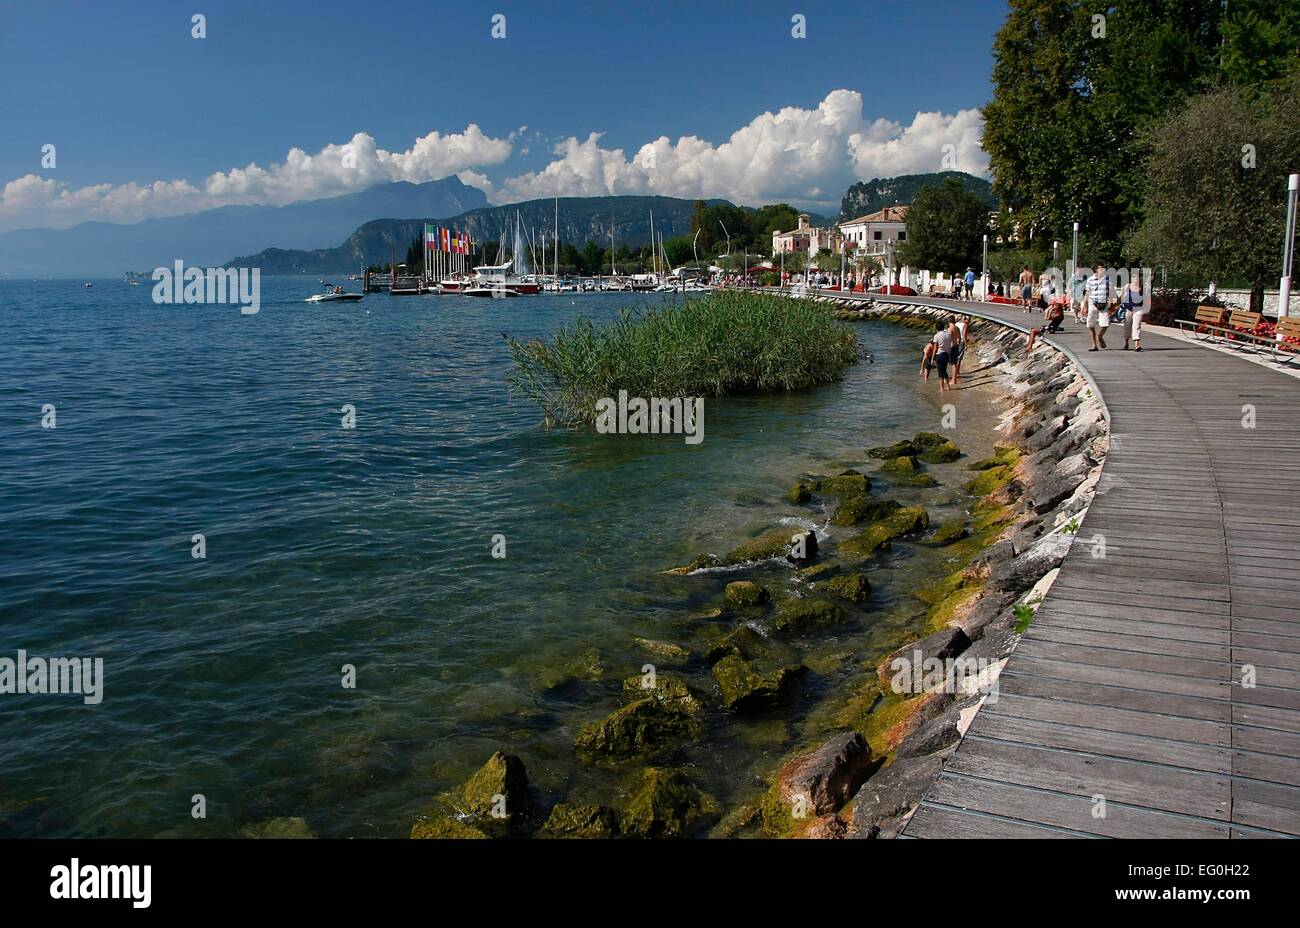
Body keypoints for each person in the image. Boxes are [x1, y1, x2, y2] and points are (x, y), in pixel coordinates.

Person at [1086, 263, 1112, 351]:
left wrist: (1111, 302)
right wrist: (1084, 306)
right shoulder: (1090, 280)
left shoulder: (1107, 279)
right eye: (1101, 268)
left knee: (1105, 324)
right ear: (1096, 269)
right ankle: (1094, 345)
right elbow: (1087, 292)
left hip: (1103, 303)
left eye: (1104, 268)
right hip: (1092, 303)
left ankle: (1100, 336)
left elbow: (1111, 291)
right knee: (1090, 324)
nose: (1103, 270)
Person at [1119, 276, 1147, 351]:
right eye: (1134, 277)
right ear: (1131, 279)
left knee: (1136, 326)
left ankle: (1136, 345)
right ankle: (1126, 343)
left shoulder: (1142, 287)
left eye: (1137, 277)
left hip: (1138, 309)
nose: (1136, 279)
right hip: (1128, 309)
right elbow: (1121, 297)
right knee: (1127, 326)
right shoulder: (1127, 287)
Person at [931, 319, 953, 391]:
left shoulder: (936, 336)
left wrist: (933, 358)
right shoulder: (948, 334)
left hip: (939, 355)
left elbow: (935, 348)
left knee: (940, 372)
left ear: (936, 328)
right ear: (943, 327)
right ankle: (948, 387)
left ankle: (942, 388)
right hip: (947, 354)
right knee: (944, 370)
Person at [950, 315, 969, 384]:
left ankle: (956, 373)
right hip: (961, 342)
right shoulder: (965, 325)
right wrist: (966, 345)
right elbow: (964, 336)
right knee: (959, 358)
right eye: (968, 320)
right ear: (965, 319)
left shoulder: (956, 324)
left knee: (956, 357)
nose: (968, 321)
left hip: (955, 342)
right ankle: (956, 373)